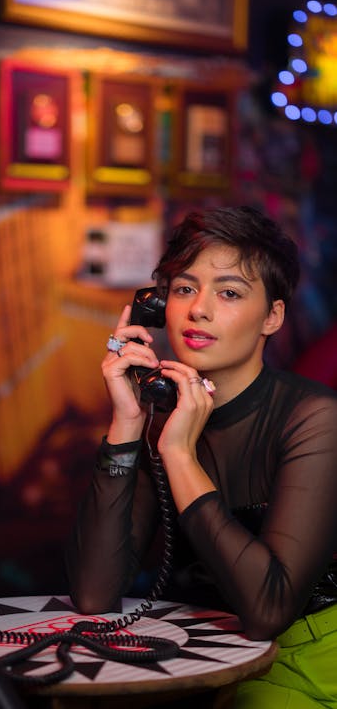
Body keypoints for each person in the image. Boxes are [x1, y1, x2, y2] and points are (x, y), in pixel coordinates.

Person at [66, 204, 337, 707]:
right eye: (185, 289)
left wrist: (180, 455)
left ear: (272, 316)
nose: (198, 310)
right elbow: (94, 595)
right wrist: (128, 424)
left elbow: (269, 610)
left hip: (309, 657)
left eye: (229, 293)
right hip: (205, 643)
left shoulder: (316, 419)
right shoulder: (157, 415)